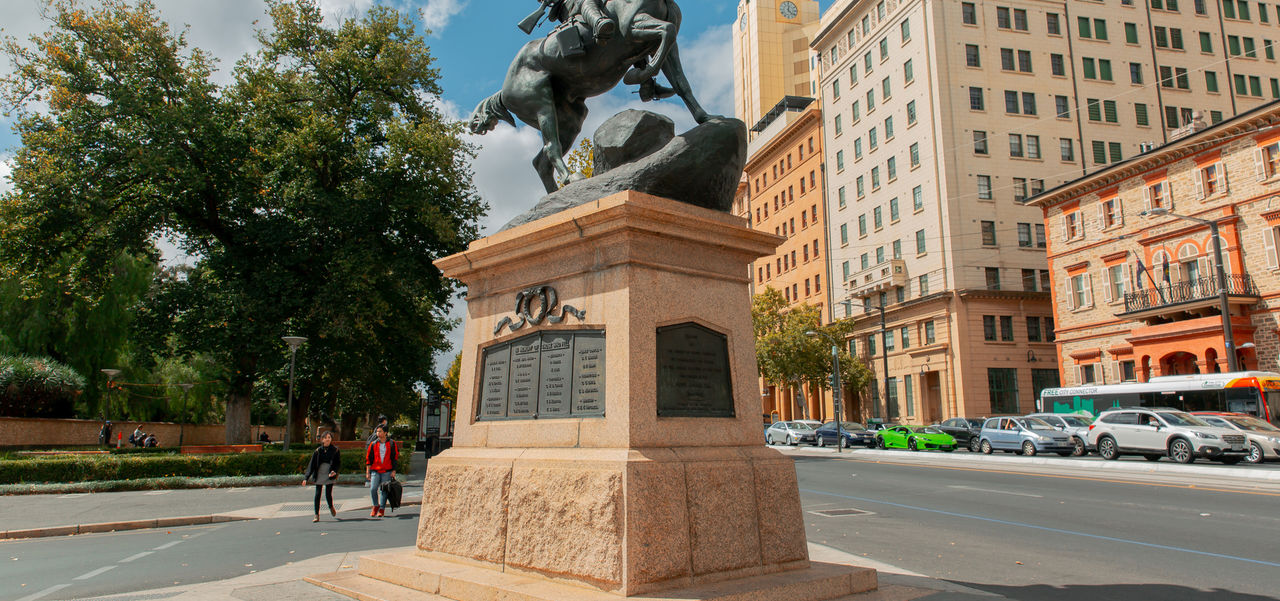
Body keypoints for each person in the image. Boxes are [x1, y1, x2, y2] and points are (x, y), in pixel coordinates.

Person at [304, 431, 341, 523]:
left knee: (328, 494)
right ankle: (316, 514)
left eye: (329, 437)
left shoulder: (335, 450)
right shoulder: (318, 451)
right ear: (322, 439)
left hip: (329, 473)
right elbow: (312, 465)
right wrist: (306, 477)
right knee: (317, 494)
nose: (327, 439)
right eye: (325, 437)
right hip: (320, 473)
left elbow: (337, 463)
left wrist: (334, 471)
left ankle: (331, 506)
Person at [364, 424, 398, 518]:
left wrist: (394, 470)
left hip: (387, 470)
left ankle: (382, 508)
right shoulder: (374, 444)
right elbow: (369, 459)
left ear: (385, 433)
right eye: (377, 431)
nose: (378, 433)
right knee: (373, 488)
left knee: (384, 490)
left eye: (380, 431)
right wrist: (368, 471)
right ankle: (375, 505)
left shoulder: (391, 443)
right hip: (375, 470)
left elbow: (394, 458)